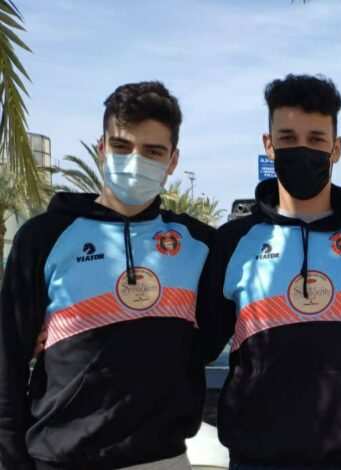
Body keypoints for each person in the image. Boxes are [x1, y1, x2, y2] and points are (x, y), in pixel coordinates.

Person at [0, 82, 212, 469]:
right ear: (102, 148)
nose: (135, 161)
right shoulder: (43, 237)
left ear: (173, 161)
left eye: (152, 151)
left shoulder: (199, 243)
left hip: (163, 459)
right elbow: (7, 359)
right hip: (59, 458)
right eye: (121, 146)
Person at [199, 74, 341, 470]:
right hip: (253, 459)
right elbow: (197, 347)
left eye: (315, 139)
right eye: (288, 138)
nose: (302, 150)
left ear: (336, 148)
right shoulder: (232, 242)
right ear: (269, 144)